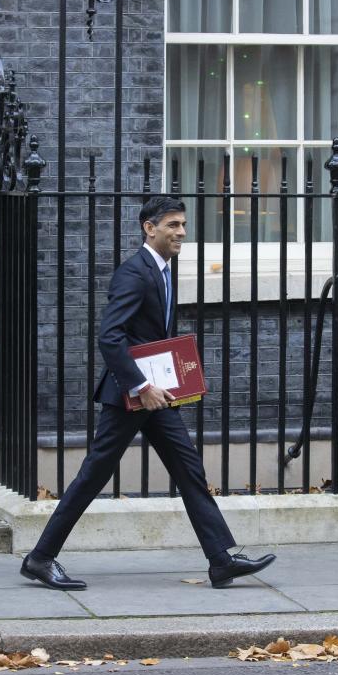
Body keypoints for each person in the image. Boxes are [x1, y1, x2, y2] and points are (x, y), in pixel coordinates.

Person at [20, 195, 276, 590]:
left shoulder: (162, 270)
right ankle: (40, 558)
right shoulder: (134, 273)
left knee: (189, 470)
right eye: (173, 225)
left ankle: (221, 559)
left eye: (183, 225)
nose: (182, 232)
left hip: (156, 397)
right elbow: (110, 338)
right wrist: (141, 385)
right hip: (131, 396)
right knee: (94, 474)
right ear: (149, 227)